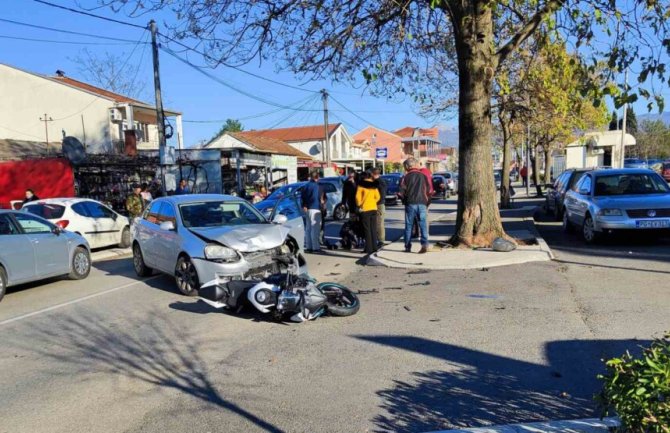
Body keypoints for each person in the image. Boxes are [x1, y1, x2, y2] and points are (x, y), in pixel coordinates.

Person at [399, 158, 430, 254]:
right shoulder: (423, 176)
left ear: (408, 166)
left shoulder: (405, 177)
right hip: (422, 203)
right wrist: (426, 203)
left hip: (410, 203)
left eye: (405, 166)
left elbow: (400, 193)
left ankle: (407, 246)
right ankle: (424, 244)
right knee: (423, 225)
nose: (404, 168)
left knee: (409, 226)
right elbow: (428, 191)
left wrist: (404, 201)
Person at [356, 171, 380, 254]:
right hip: (373, 208)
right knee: (373, 228)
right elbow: (378, 197)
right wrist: (373, 202)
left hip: (365, 209)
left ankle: (368, 248)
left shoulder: (361, 185)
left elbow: (357, 198)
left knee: (367, 229)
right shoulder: (374, 185)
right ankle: (375, 247)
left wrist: (360, 205)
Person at [301, 170, 323, 253]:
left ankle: (309, 247)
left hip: (307, 209)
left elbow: (302, 197)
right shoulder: (317, 186)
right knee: (315, 228)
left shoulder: (306, 186)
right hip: (315, 208)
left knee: (308, 228)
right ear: (317, 178)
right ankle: (316, 247)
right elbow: (317, 198)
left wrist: (304, 205)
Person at [371, 168, 387, 246]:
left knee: (379, 223)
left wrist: (376, 202)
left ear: (374, 174)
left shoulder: (380, 182)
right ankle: (378, 239)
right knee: (376, 223)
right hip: (375, 204)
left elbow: (382, 195)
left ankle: (381, 240)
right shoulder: (376, 182)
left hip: (379, 205)